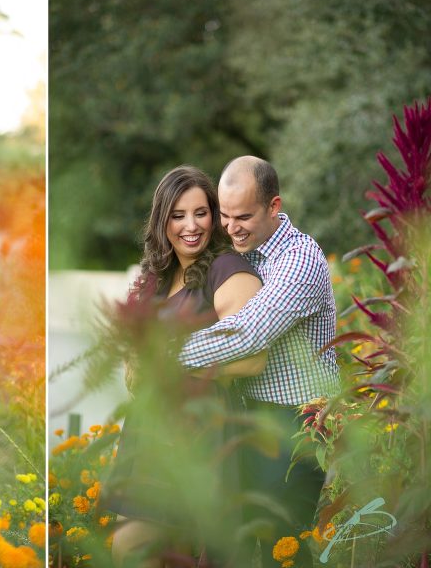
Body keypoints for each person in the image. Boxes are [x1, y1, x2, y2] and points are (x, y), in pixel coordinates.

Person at [179, 156, 340, 567]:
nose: (231, 227)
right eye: (225, 215)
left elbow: (248, 332)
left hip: (295, 423)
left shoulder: (299, 261)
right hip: (244, 415)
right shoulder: (241, 250)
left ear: (274, 207)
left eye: (244, 216)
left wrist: (165, 353)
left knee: (281, 546)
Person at [106, 166, 267, 568]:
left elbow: (251, 357)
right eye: (178, 215)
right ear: (162, 221)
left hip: (200, 429)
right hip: (151, 428)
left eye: (200, 212)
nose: (190, 225)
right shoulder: (158, 277)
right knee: (138, 551)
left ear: (214, 216)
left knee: (143, 548)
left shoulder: (227, 269)